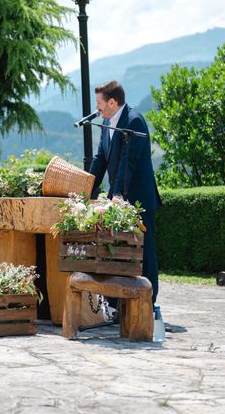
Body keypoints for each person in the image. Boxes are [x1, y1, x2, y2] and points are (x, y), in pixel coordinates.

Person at [89, 80, 162, 304]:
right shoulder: (106, 123)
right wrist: (86, 189)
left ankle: (148, 303)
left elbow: (126, 163)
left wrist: (118, 194)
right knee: (115, 250)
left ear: (112, 102)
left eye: (99, 103)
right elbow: (100, 159)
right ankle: (116, 304)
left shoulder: (134, 121)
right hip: (118, 197)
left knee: (144, 251)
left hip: (139, 198)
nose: (97, 108)